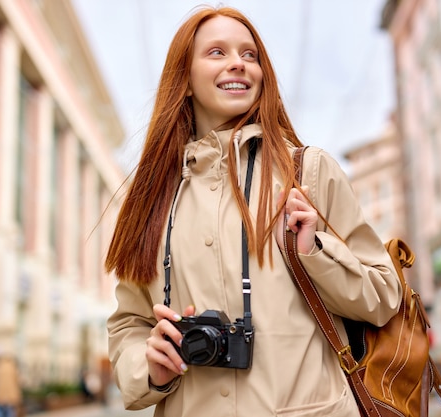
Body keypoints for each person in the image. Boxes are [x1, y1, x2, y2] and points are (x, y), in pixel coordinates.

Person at [106, 6, 402, 417]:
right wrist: (149, 367)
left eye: (250, 55)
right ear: (185, 80)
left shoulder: (308, 172)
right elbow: (128, 324)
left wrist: (314, 250)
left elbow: (385, 296)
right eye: (217, 52)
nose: (238, 64)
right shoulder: (152, 197)